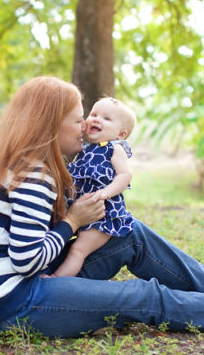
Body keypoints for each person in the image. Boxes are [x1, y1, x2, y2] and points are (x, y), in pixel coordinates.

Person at [0, 76, 204, 338]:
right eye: (78, 120)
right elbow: (27, 260)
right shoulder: (33, 177)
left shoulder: (16, 163)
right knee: (143, 296)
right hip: (9, 304)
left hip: (7, 291)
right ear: (50, 125)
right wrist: (72, 223)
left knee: (129, 234)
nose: (85, 125)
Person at [52, 97, 136, 277]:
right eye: (94, 114)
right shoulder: (83, 149)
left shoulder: (114, 148)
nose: (97, 119)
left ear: (121, 134)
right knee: (63, 244)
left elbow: (125, 174)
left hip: (102, 214)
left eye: (106, 118)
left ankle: (55, 281)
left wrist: (105, 193)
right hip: (79, 210)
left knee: (78, 250)